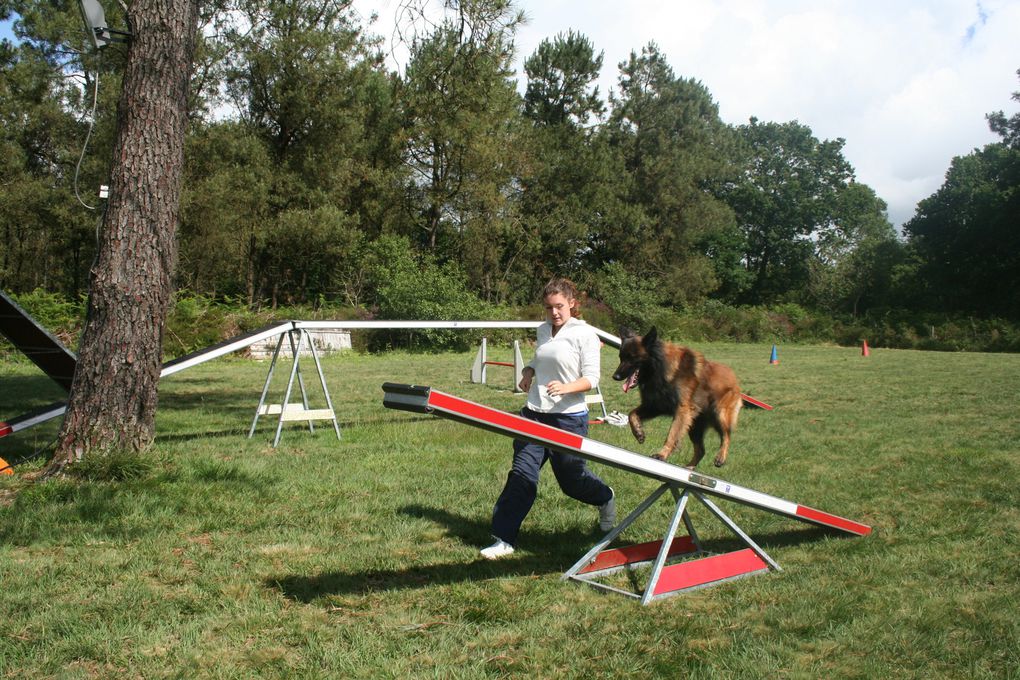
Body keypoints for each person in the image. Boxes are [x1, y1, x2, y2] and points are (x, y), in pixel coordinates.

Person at [480, 278, 616, 560]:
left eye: (559, 307)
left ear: (571, 304)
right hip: (534, 414)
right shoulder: (543, 330)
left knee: (571, 482)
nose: (554, 313)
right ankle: (504, 538)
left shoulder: (585, 334)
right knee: (521, 474)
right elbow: (541, 358)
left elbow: (592, 378)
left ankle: (605, 497)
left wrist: (567, 387)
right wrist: (529, 371)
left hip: (568, 418)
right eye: (548, 307)